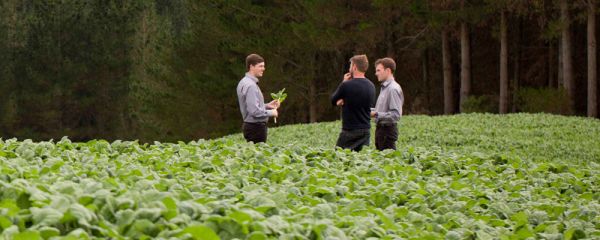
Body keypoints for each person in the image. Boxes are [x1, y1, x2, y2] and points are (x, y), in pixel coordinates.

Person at [330, 55, 376, 151]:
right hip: (366, 129)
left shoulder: (346, 85)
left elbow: (333, 100)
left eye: (350, 65)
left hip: (349, 130)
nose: (349, 68)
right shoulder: (371, 86)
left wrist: (343, 82)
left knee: (339, 157)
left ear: (354, 67)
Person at [236, 54, 280, 143]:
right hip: (256, 128)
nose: (263, 69)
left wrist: (268, 105)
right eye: (260, 66)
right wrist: (272, 112)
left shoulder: (243, 82)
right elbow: (254, 111)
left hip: (251, 127)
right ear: (251, 66)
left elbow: (250, 106)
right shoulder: (251, 86)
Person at [371, 58, 404, 150]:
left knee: (389, 163)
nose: (376, 73)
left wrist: (376, 114)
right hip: (381, 131)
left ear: (388, 70)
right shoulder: (385, 88)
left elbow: (396, 115)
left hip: (387, 132)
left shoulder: (392, 89)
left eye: (378, 70)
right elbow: (382, 110)